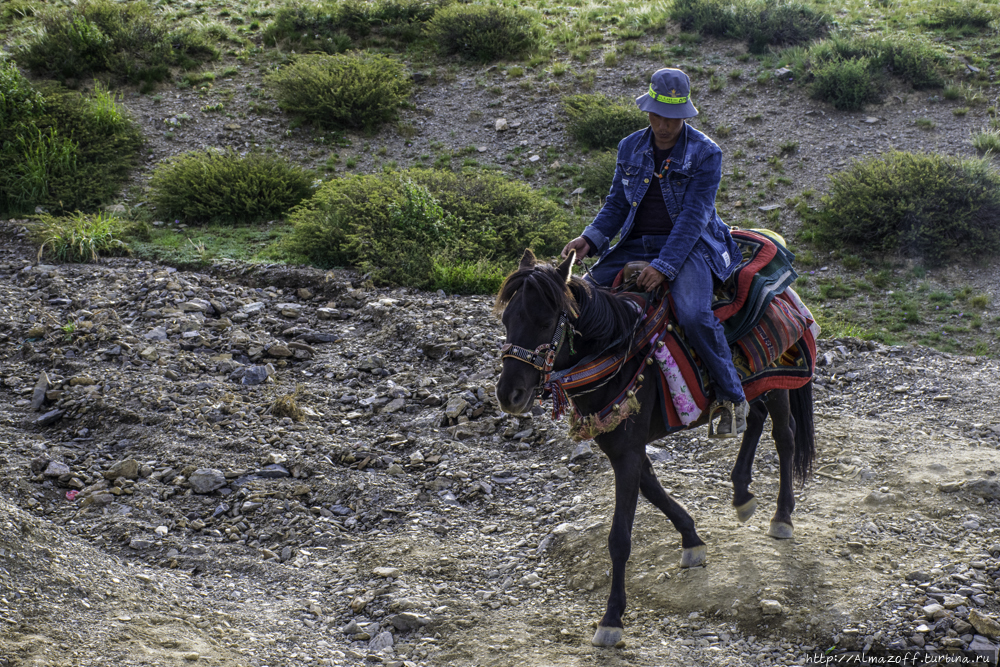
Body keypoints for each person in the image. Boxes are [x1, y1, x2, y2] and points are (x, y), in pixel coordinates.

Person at [560, 67, 748, 438]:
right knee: (577, 298)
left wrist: (664, 266)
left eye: (674, 118)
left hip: (690, 247)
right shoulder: (630, 146)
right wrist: (591, 239)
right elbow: (616, 203)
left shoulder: (706, 153)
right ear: (648, 110)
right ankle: (581, 389)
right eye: (659, 115)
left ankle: (732, 396)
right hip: (636, 241)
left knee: (694, 314)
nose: (665, 125)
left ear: (685, 115)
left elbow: (695, 218)